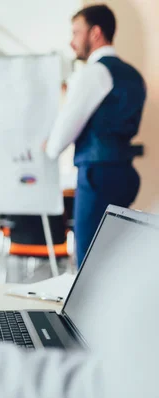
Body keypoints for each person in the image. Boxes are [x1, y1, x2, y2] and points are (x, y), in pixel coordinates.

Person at [44, 4, 146, 268]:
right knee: (116, 259)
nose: (72, 40)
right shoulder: (134, 75)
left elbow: (63, 132)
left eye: (77, 32)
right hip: (125, 174)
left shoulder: (93, 73)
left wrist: (50, 146)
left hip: (97, 177)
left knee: (88, 262)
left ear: (96, 32)